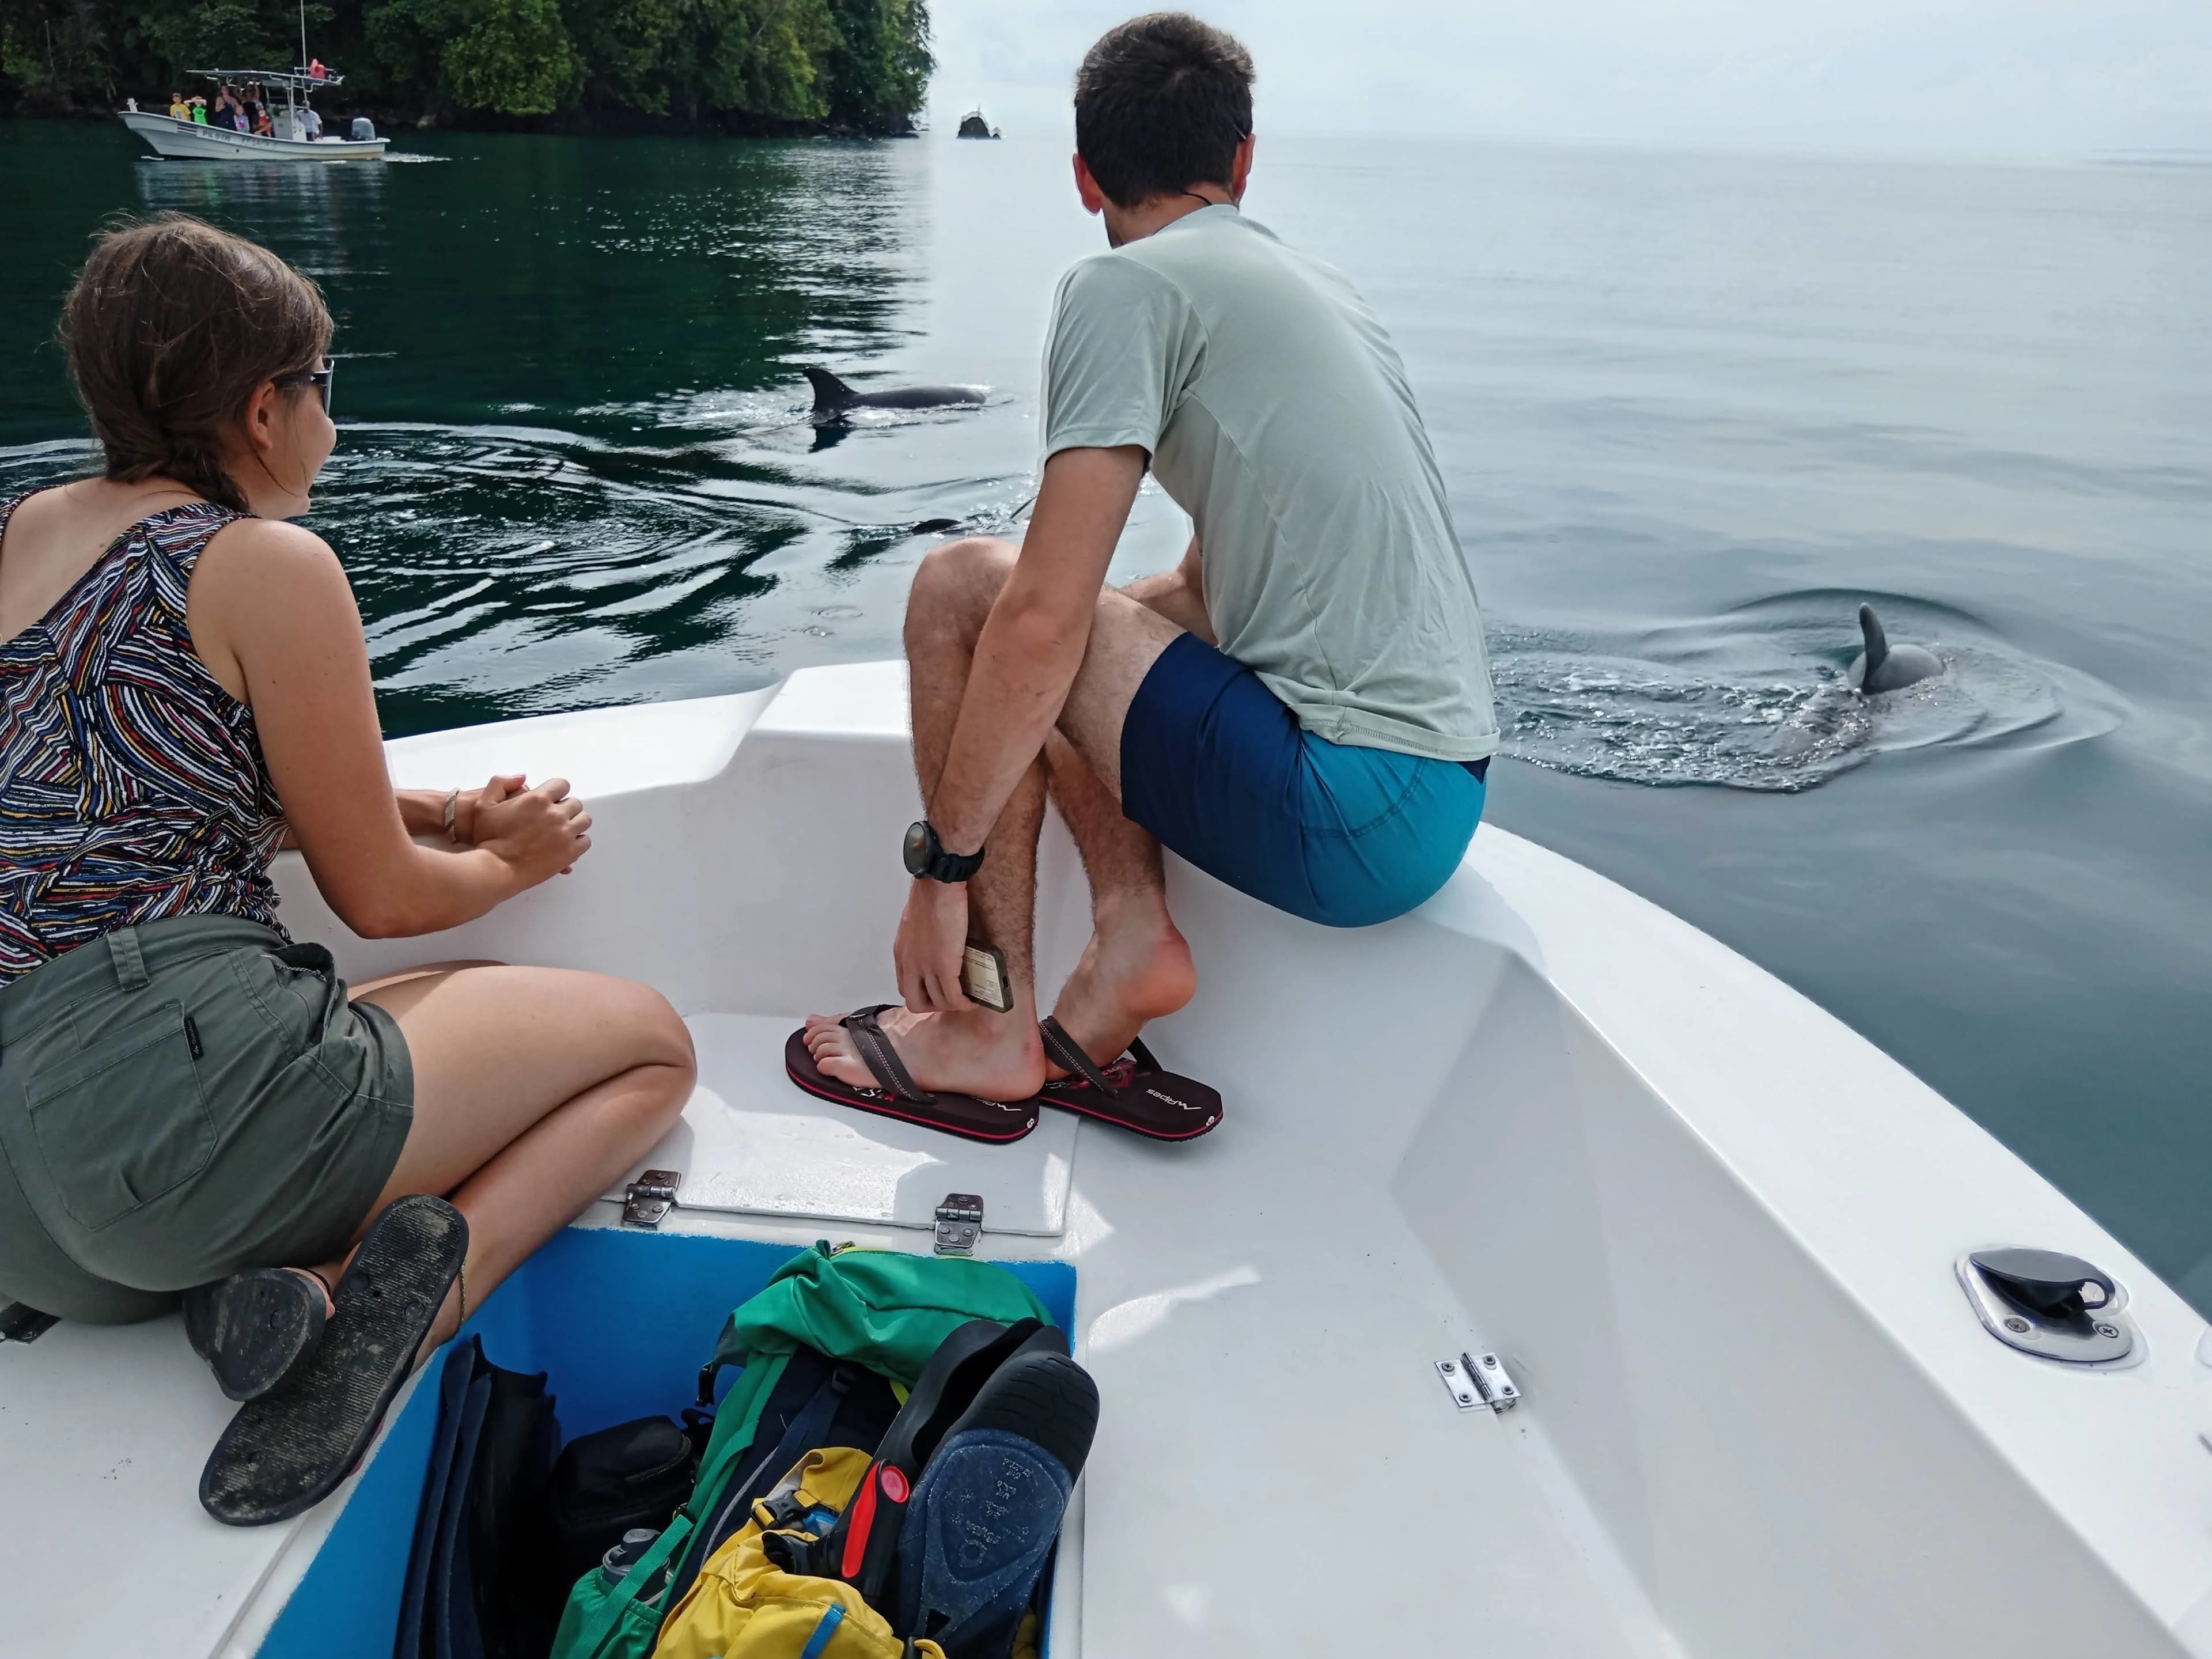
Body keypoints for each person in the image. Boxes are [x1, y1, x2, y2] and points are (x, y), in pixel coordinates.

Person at [0, 216, 696, 1524]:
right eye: (326, 390)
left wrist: (436, 808)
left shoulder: (22, 533)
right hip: (159, 1126)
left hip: (28, 1227)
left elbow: (140, 795)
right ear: (265, 410)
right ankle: (369, 1311)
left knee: (380, 1014)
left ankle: (256, 1278)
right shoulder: (263, 562)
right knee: (651, 1043)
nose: (333, 425)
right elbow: (380, 901)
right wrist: (517, 862)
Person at [800, 13, 1498, 1123]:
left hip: (1351, 805)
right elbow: (1205, 602)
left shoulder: (1126, 288)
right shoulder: (1314, 291)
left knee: (961, 593)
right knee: (1062, 638)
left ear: (1084, 178)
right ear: (1243, 161)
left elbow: (1035, 615)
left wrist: (939, 872)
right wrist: (1041, 666)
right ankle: (1130, 940)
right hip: (1435, 799)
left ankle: (988, 1029)